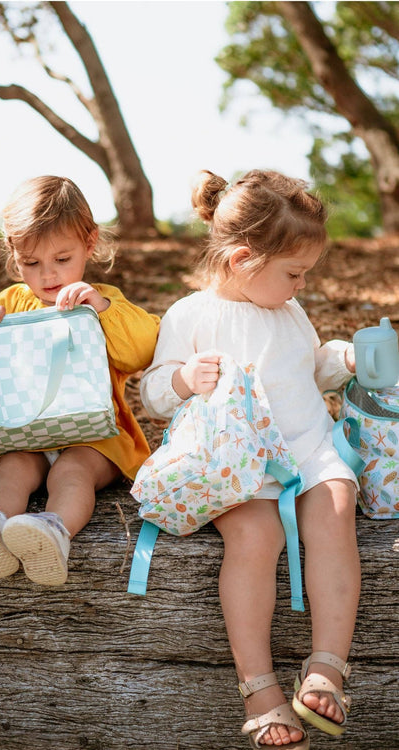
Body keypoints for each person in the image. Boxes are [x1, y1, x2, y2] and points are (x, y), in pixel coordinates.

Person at [140, 169, 359, 749]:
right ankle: (258, 688)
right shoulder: (191, 315)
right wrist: (185, 378)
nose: (300, 284)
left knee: (336, 507)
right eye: (294, 272)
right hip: (234, 463)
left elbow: (310, 369)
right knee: (255, 537)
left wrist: (344, 358)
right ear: (241, 259)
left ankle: (327, 666)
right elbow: (154, 393)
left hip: (306, 446)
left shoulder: (288, 311)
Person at [0, 175, 160, 587]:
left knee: (71, 473)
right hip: (27, 432)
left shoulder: (100, 299)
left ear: (90, 243)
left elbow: (142, 348)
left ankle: (53, 531)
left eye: (62, 258)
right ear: (13, 253)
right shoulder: (10, 302)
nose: (48, 275)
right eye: (32, 263)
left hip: (94, 437)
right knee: (13, 469)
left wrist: (101, 307)